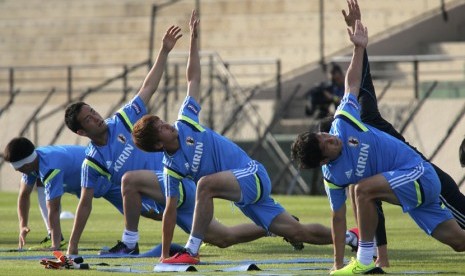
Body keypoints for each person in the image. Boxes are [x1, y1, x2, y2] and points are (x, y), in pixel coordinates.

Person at [131, 10, 358, 265]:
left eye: (162, 121)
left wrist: (193, 41)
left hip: (252, 174)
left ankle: (191, 250)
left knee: (203, 185)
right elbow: (170, 210)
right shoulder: (171, 167)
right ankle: (352, 238)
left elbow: (193, 79)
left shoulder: (186, 122)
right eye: (161, 128)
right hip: (244, 195)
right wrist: (163, 254)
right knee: (297, 231)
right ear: (159, 144)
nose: (167, 125)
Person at [64, 23, 274, 257]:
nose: (96, 117)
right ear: (81, 133)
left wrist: (164, 51)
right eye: (89, 119)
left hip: (176, 183)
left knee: (129, 180)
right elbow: (84, 204)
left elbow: (148, 87)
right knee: (223, 238)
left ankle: (129, 244)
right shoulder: (92, 163)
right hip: (167, 199)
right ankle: (272, 227)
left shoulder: (121, 121)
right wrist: (72, 245)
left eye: (93, 111)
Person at [291, 18, 465, 274]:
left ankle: (364, 257)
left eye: (324, 136)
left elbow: (353, 83)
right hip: (413, 200)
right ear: (323, 162)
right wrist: (337, 265)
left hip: (419, 173)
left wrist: (359, 48)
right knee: (459, 243)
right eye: (325, 143)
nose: (330, 138)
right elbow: (338, 218)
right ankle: (366, 257)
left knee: (361, 190)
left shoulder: (344, 121)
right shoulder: (333, 176)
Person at [3, 137, 84, 250]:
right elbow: (24, 194)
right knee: (40, 181)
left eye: (20, 169)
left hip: (101, 169)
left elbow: (53, 209)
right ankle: (55, 237)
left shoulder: (50, 168)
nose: (19, 172)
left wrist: (55, 247)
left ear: (26, 165)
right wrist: (22, 226)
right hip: (80, 174)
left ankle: (56, 241)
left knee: (115, 197)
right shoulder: (34, 161)